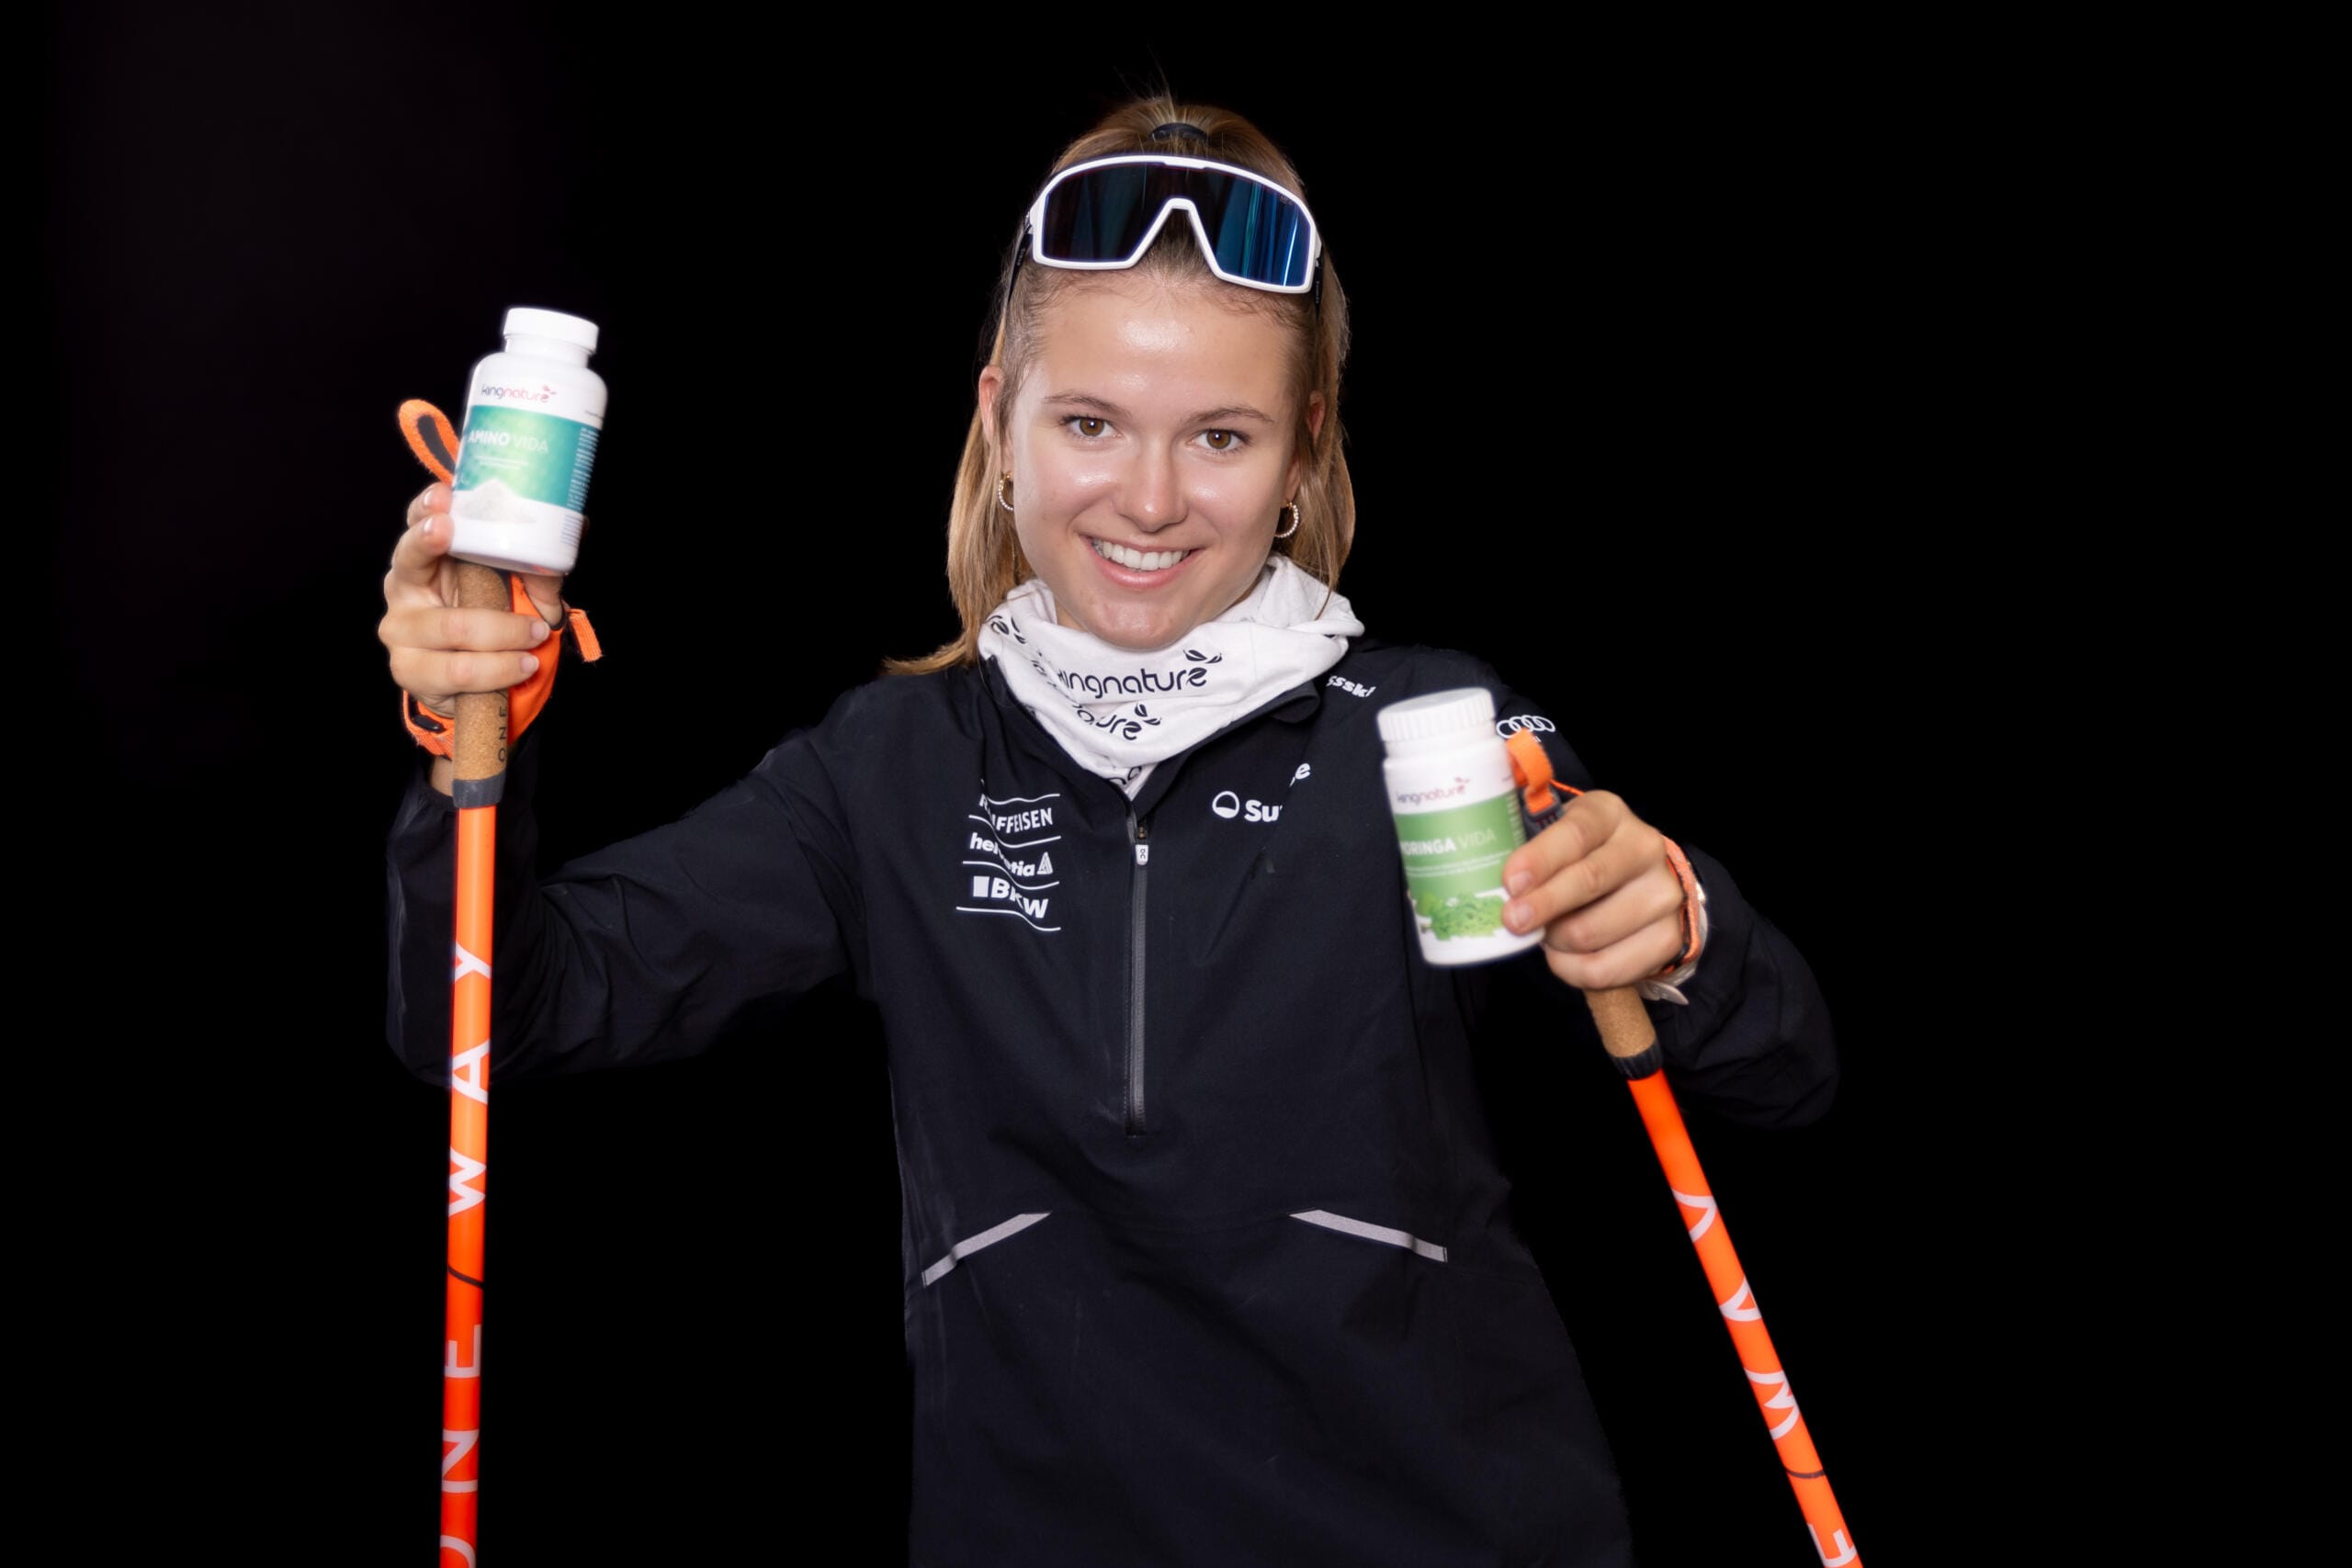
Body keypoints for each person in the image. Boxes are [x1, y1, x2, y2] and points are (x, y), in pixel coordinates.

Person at [380, 96, 1836, 1567]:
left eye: (1220, 435)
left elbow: (1786, 1075)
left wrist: (1671, 919)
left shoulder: (1431, 729)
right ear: (998, 419)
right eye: (1090, 423)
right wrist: (471, 740)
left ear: (1303, 453)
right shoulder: (889, 768)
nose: (1148, 500)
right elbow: (502, 1018)